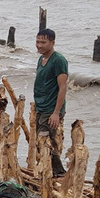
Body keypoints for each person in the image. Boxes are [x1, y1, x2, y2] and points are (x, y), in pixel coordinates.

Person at [34, 28, 68, 177]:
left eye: (43, 42)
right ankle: (52, 173)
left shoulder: (58, 60)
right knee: (43, 142)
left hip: (50, 109)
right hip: (41, 107)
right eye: (37, 41)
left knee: (47, 142)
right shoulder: (41, 59)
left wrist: (56, 113)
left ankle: (57, 174)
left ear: (52, 43)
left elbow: (63, 87)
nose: (39, 45)